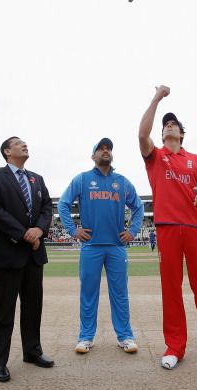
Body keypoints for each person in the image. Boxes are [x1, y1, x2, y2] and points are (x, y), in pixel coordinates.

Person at [138, 85, 197, 370]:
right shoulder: (156, 156)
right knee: (171, 289)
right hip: (167, 228)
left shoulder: (195, 159)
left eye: (173, 124)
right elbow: (142, 135)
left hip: (194, 228)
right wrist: (155, 99)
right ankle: (175, 345)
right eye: (166, 125)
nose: (169, 127)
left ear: (182, 133)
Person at [58, 138, 144, 354]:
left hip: (116, 247)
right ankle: (86, 337)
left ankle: (125, 337)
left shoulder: (122, 182)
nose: (106, 151)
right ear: (93, 156)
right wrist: (73, 230)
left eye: (109, 148)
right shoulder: (82, 179)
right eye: (101, 148)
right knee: (88, 293)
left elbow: (139, 207)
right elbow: (63, 204)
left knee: (120, 293)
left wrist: (132, 231)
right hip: (91, 246)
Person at [0, 136, 54, 383]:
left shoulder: (37, 178)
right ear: (6, 151)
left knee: (33, 308)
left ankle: (32, 352)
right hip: (5, 254)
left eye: (25, 142)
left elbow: (47, 208)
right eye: (18, 143)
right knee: (2, 311)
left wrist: (40, 230)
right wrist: (24, 233)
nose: (25, 145)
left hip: (34, 255)